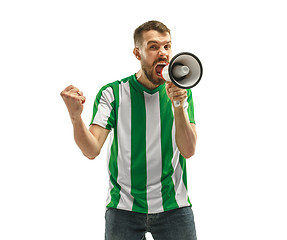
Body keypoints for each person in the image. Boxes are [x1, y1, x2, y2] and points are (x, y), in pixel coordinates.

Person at [61, 20, 198, 240]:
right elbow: (91, 149)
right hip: (123, 209)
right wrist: (76, 117)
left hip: (174, 206)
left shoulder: (183, 92)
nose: (162, 53)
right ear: (138, 53)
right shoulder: (112, 93)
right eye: (153, 47)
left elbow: (188, 150)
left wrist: (179, 104)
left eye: (167, 46)